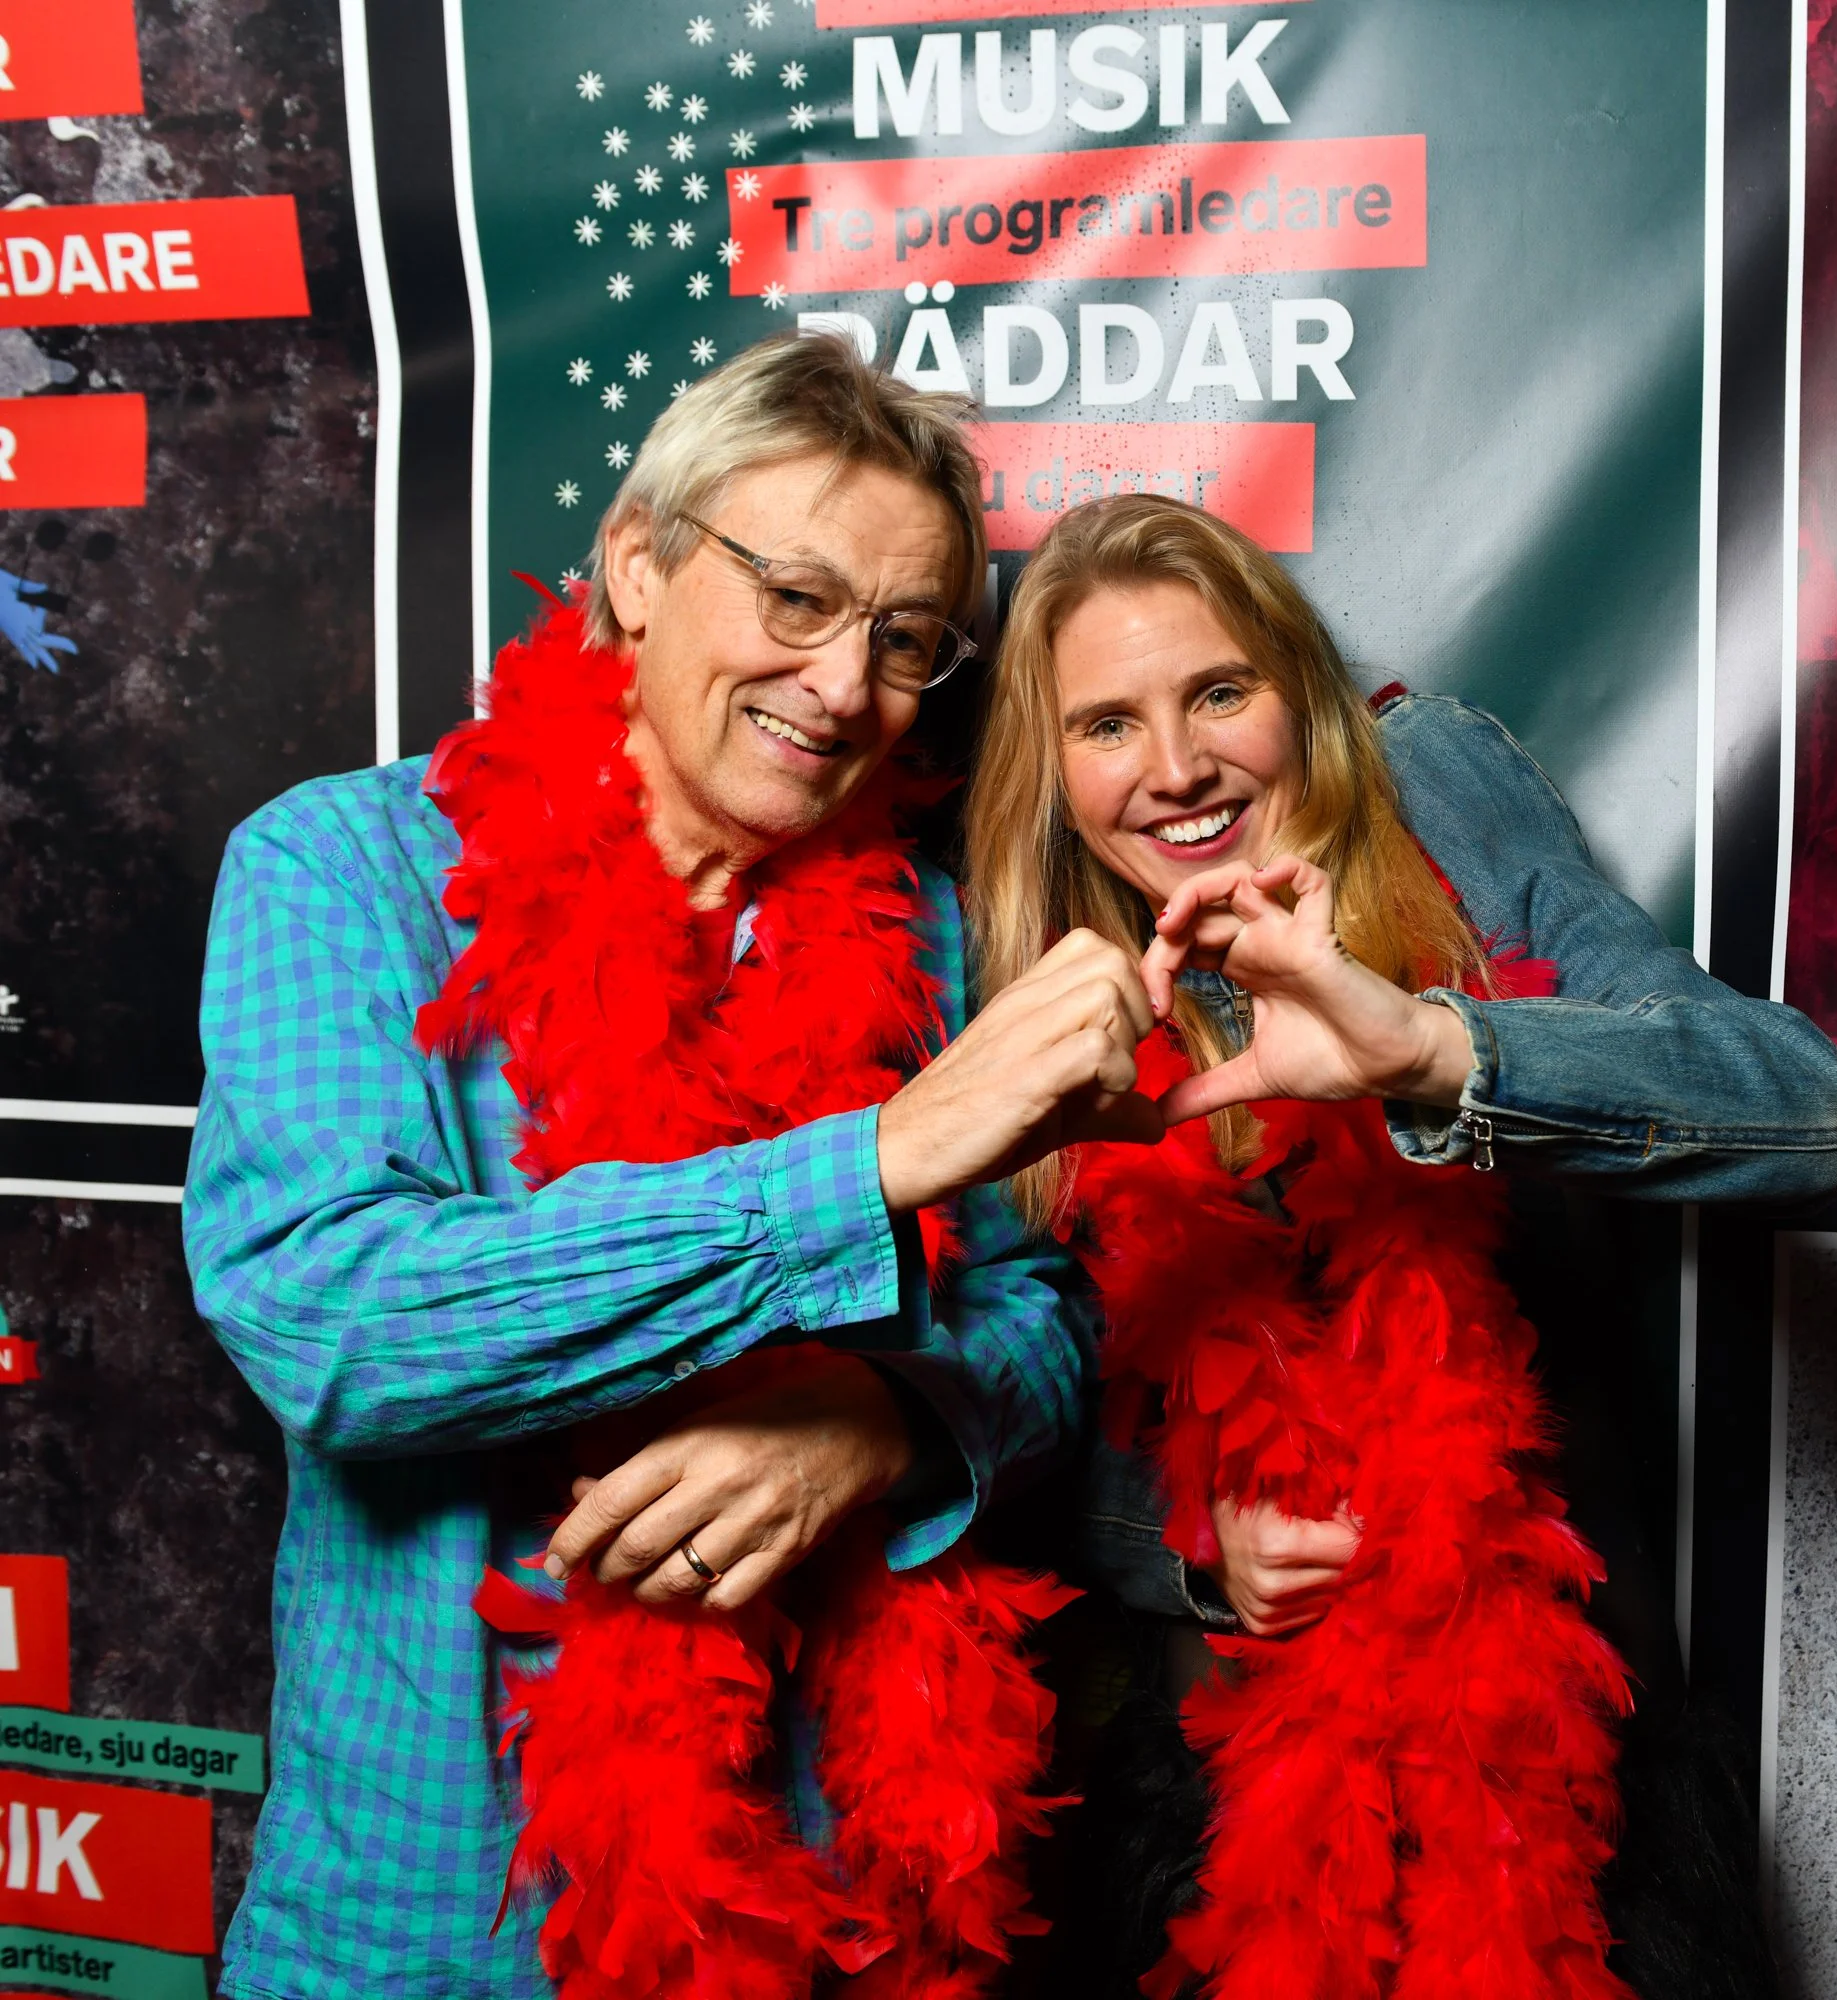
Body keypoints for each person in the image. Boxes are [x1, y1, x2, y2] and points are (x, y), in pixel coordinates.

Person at [181, 334, 1165, 2000]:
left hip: (836, 1921)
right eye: (797, 597)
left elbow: (1048, 1318)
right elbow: (332, 1321)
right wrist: (866, 1167)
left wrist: (890, 1425)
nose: (843, 687)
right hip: (443, 1929)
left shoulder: (932, 930)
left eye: (904, 639)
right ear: (637, 567)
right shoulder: (343, 868)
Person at [961, 495, 1837, 1998]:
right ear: (1050, 776)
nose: (1176, 769)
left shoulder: (1433, 795)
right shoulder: (1018, 969)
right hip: (1221, 1835)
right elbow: (1000, 1405)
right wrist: (1186, 1552)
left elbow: (1805, 1113)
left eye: (1220, 694)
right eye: (1108, 725)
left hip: (1558, 1801)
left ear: (1300, 699)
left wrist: (1435, 1057)